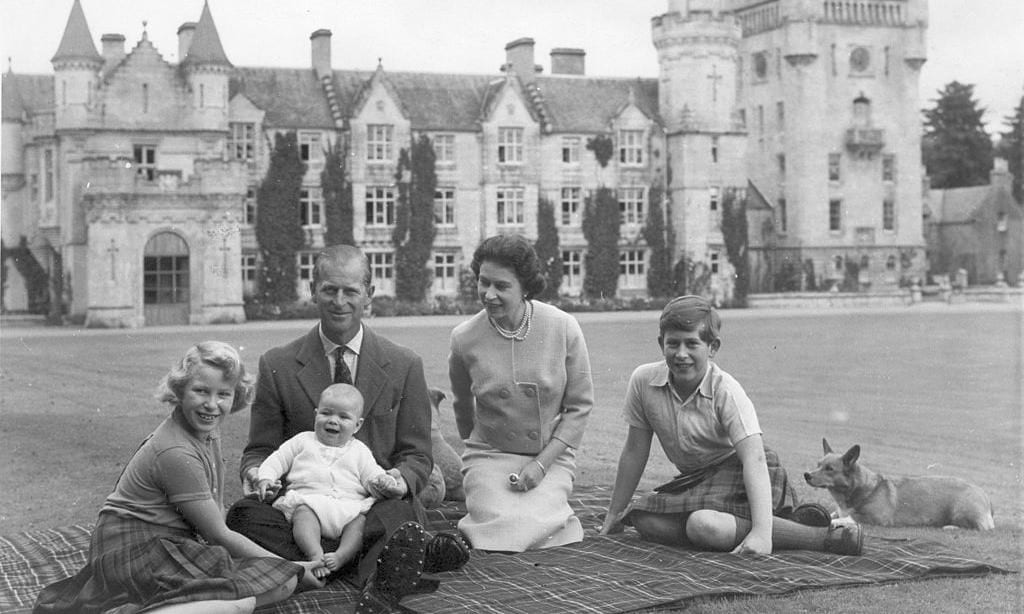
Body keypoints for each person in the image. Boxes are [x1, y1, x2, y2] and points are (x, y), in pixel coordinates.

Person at [225, 245, 469, 613]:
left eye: (351, 291)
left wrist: (399, 480)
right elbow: (259, 449)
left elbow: (417, 454)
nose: (340, 301)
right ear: (313, 290)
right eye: (329, 289)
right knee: (243, 516)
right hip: (303, 513)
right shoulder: (277, 364)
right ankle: (385, 565)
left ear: (369, 295)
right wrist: (258, 475)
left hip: (372, 509)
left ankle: (325, 565)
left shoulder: (404, 364)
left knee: (398, 512)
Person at [34, 341, 323, 614]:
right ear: (180, 391)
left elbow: (217, 513)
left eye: (223, 394)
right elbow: (217, 534)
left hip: (162, 543)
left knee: (270, 581)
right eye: (201, 391)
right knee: (280, 580)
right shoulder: (175, 451)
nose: (212, 405)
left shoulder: (206, 430)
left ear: (236, 396)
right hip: (133, 549)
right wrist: (293, 566)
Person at [599, 296, 863, 556]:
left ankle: (823, 536)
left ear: (712, 347)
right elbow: (635, 450)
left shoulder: (726, 390)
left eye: (692, 344)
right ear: (661, 344)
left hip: (745, 471)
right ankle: (785, 523)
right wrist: (613, 513)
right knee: (643, 519)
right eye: (673, 344)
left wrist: (761, 534)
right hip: (697, 479)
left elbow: (755, 459)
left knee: (703, 525)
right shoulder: (643, 381)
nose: (681, 354)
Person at [448, 234, 594, 552]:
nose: (489, 294)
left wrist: (541, 465)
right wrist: (480, 455)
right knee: (500, 522)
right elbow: (462, 407)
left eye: (501, 286)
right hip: (490, 454)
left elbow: (580, 407)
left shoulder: (564, 328)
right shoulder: (463, 338)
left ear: (525, 286)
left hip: (549, 456)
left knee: (541, 526)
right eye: (483, 282)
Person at [256, 383, 397, 577]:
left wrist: (383, 480)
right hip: (310, 501)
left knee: (359, 523)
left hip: (348, 507)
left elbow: (372, 474)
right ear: (316, 414)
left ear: (357, 425)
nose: (333, 421)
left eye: (343, 417)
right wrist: (266, 478)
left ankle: (341, 556)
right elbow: (277, 459)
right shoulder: (303, 441)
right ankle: (315, 554)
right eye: (326, 413)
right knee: (303, 515)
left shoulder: (360, 451)